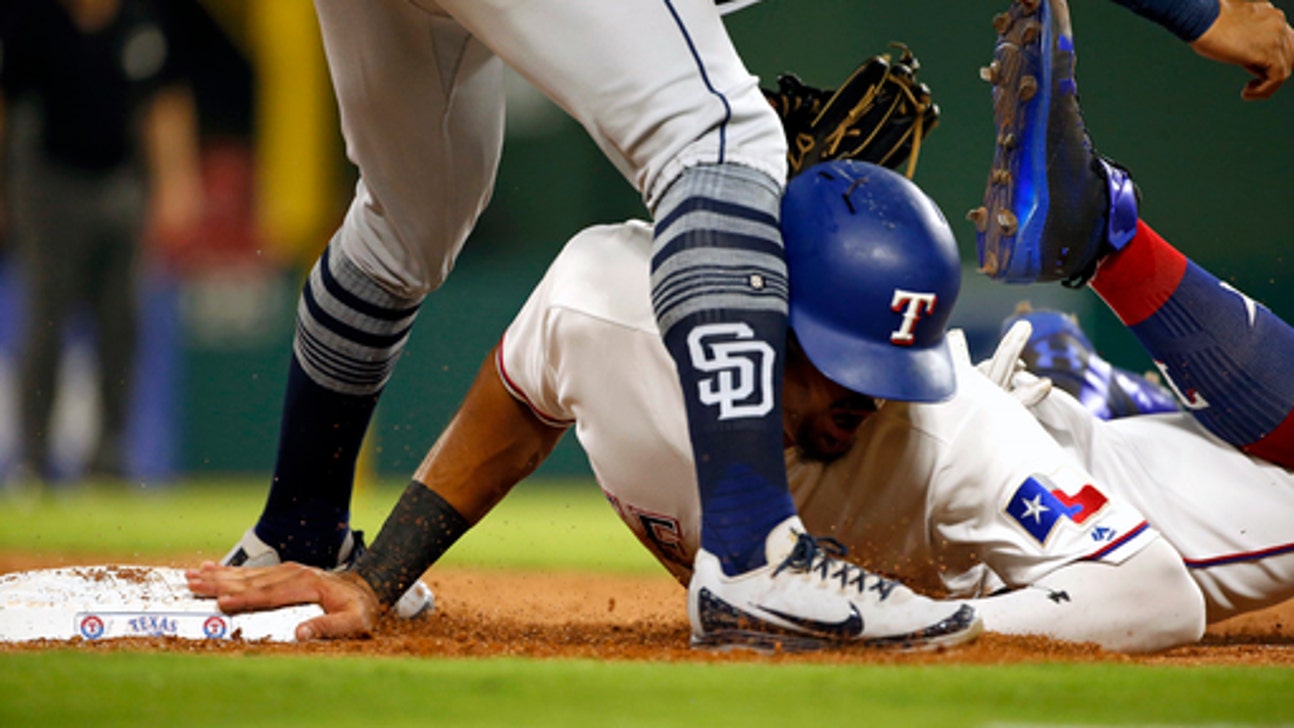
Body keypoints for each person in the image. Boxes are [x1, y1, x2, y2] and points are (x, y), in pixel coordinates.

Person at [192, 0, 1294, 654]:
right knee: (721, 140)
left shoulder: (942, 427)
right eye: (846, 363)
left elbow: (1146, 586)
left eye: (886, 372)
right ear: (766, 305)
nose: (867, 396)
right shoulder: (610, 301)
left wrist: (370, 575)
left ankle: (298, 532)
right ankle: (759, 556)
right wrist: (1192, 11)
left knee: (408, 218)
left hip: (1053, 472)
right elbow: (522, 396)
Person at [0, 0, 202, 482]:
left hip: (121, 182)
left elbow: (165, 101)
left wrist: (176, 180)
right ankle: (33, 456)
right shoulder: (33, 17)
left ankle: (110, 456)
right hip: (48, 184)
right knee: (45, 322)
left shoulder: (142, 18)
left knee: (122, 323)